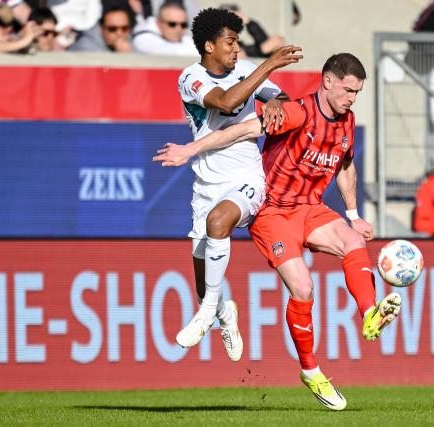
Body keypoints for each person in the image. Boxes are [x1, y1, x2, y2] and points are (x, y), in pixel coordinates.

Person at [154, 53, 402, 411]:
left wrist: (353, 214)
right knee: (303, 287)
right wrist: (190, 150)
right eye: (348, 90)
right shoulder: (296, 112)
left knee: (351, 241)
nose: (351, 98)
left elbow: (346, 163)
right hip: (273, 213)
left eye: (357, 93)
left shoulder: (346, 121)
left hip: (311, 207)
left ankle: (370, 313)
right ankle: (311, 370)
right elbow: (241, 130)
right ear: (328, 81)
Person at [153, 7, 302, 362]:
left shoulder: (249, 69)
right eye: (229, 42)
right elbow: (226, 101)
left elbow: (279, 99)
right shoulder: (190, 77)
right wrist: (269, 64)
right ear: (208, 46)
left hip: (248, 179)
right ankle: (222, 313)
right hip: (206, 183)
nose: (236, 49)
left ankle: (205, 315)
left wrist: (277, 104)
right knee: (204, 278)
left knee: (218, 222)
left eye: (237, 41)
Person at [132, 1, 198, 55]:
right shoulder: (142, 37)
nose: (178, 29)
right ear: (158, 23)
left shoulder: (186, 39)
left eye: (183, 25)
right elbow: (172, 52)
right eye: (172, 24)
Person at [69, 5, 134, 52]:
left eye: (124, 28)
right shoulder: (85, 47)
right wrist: (124, 57)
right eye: (112, 29)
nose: (119, 33)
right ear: (102, 30)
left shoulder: (132, 43)